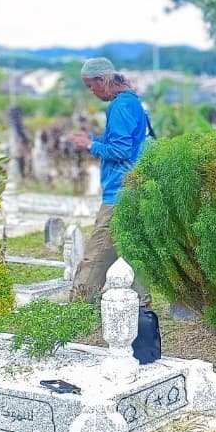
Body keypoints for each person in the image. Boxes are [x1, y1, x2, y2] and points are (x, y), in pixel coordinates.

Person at [67, 58, 152, 305]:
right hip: (132, 189)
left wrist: (90, 145)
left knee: (96, 255)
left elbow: (121, 150)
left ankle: (79, 308)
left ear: (102, 80)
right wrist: (94, 139)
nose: (91, 92)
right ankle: (141, 305)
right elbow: (128, 144)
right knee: (132, 252)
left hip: (119, 192)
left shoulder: (121, 106)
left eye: (91, 86)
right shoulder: (132, 102)